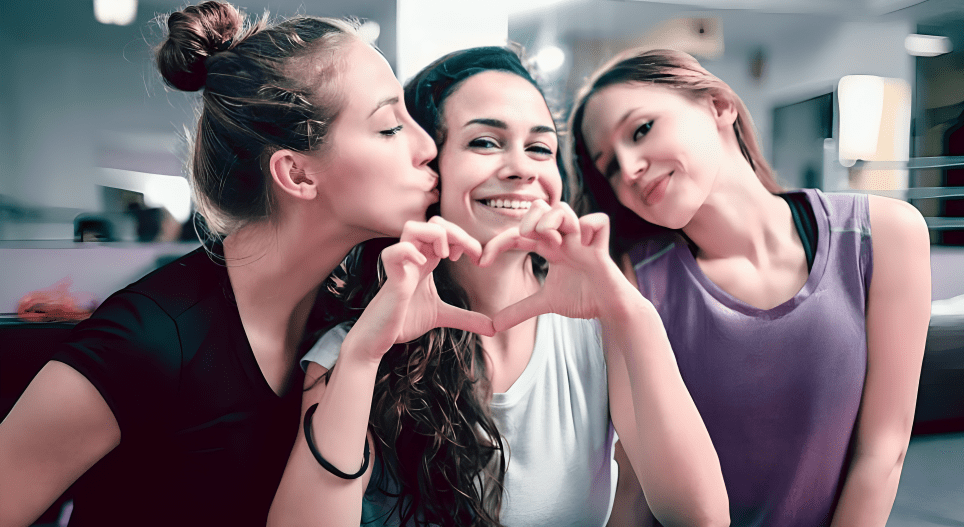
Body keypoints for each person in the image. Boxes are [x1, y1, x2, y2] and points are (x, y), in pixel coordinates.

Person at [0, 0, 492, 527]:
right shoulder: (148, 342)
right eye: (390, 127)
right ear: (298, 175)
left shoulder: (349, 321)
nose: (425, 147)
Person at [268, 47, 727, 527]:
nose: (521, 168)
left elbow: (700, 517)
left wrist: (631, 313)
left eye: (540, 148)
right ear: (430, 170)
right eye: (485, 142)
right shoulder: (353, 348)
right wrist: (363, 357)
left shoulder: (600, 328)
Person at [569, 47, 932, 527]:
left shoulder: (886, 233)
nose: (629, 168)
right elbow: (638, 485)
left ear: (719, 105)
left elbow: (883, 450)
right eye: (610, 167)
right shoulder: (634, 281)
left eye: (641, 130)